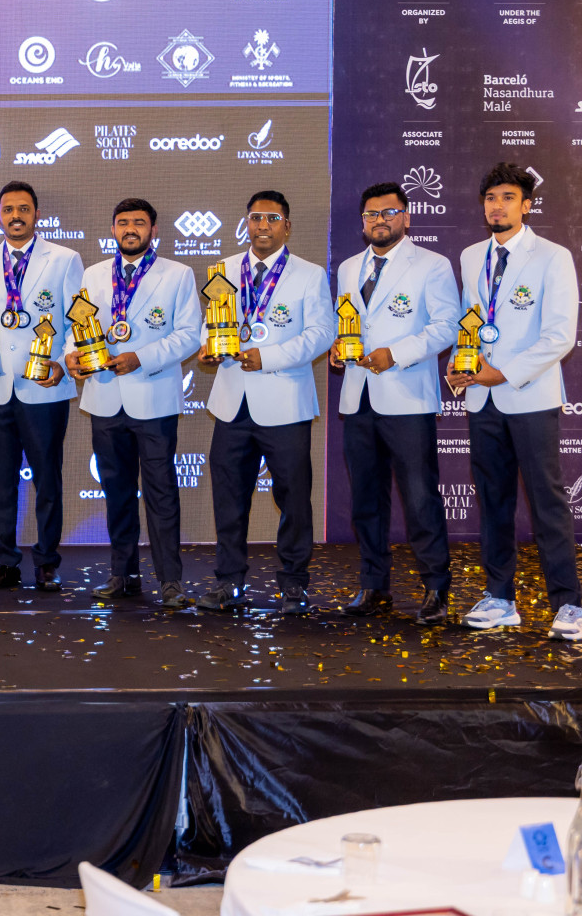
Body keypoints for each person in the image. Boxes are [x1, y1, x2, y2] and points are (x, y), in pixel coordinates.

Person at [447, 163, 582, 639]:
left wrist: (501, 372)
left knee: (547, 502)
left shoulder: (552, 256)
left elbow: (560, 336)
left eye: (507, 197)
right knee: (494, 501)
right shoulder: (469, 256)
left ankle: (569, 604)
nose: (497, 206)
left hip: (529, 395)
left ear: (526, 205)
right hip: (482, 399)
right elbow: (471, 321)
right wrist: (463, 363)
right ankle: (501, 598)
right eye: (490, 198)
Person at [332, 182, 459, 624]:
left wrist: (397, 353)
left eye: (388, 212)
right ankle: (374, 585)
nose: (378, 220)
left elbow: (447, 327)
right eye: (370, 214)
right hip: (358, 395)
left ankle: (436, 590)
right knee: (366, 499)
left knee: (420, 497)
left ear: (406, 216)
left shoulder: (432, 264)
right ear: (362, 221)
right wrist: (337, 347)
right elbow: (343, 321)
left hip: (406, 395)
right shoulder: (349, 268)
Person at [200, 191, 332, 614]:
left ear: (286, 227)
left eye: (272, 219)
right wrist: (208, 347)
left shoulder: (309, 275)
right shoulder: (223, 270)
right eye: (255, 218)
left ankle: (294, 583)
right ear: (247, 224)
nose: (262, 226)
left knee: (293, 498)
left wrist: (269, 357)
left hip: (284, 401)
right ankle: (229, 582)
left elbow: (321, 334)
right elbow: (212, 326)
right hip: (232, 403)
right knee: (229, 497)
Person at [67, 198, 201, 607]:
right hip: (105, 396)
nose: (130, 229)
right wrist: (72, 354)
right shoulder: (92, 274)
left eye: (139, 223)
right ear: (113, 229)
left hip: (153, 396)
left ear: (153, 230)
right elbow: (80, 327)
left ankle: (170, 581)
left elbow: (189, 335)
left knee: (161, 493)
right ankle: (122, 574)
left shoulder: (178, 274)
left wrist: (141, 357)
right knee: (117, 493)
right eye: (123, 222)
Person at [0, 181, 82, 593]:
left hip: (43, 388)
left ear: (36, 215)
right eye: (9, 209)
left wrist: (63, 363)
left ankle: (47, 561)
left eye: (24, 209)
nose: (16, 216)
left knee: (47, 477)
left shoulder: (64, 259)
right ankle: (5, 561)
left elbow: (76, 320)